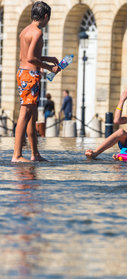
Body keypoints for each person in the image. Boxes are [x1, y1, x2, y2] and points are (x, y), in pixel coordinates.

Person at [12, 1, 60, 162]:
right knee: (25, 113)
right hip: (30, 75)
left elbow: (23, 57)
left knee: (32, 116)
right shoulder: (37, 32)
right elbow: (31, 58)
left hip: (23, 73)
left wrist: (48, 58)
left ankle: (35, 154)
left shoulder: (24, 31)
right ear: (45, 16)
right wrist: (48, 67)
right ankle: (17, 155)